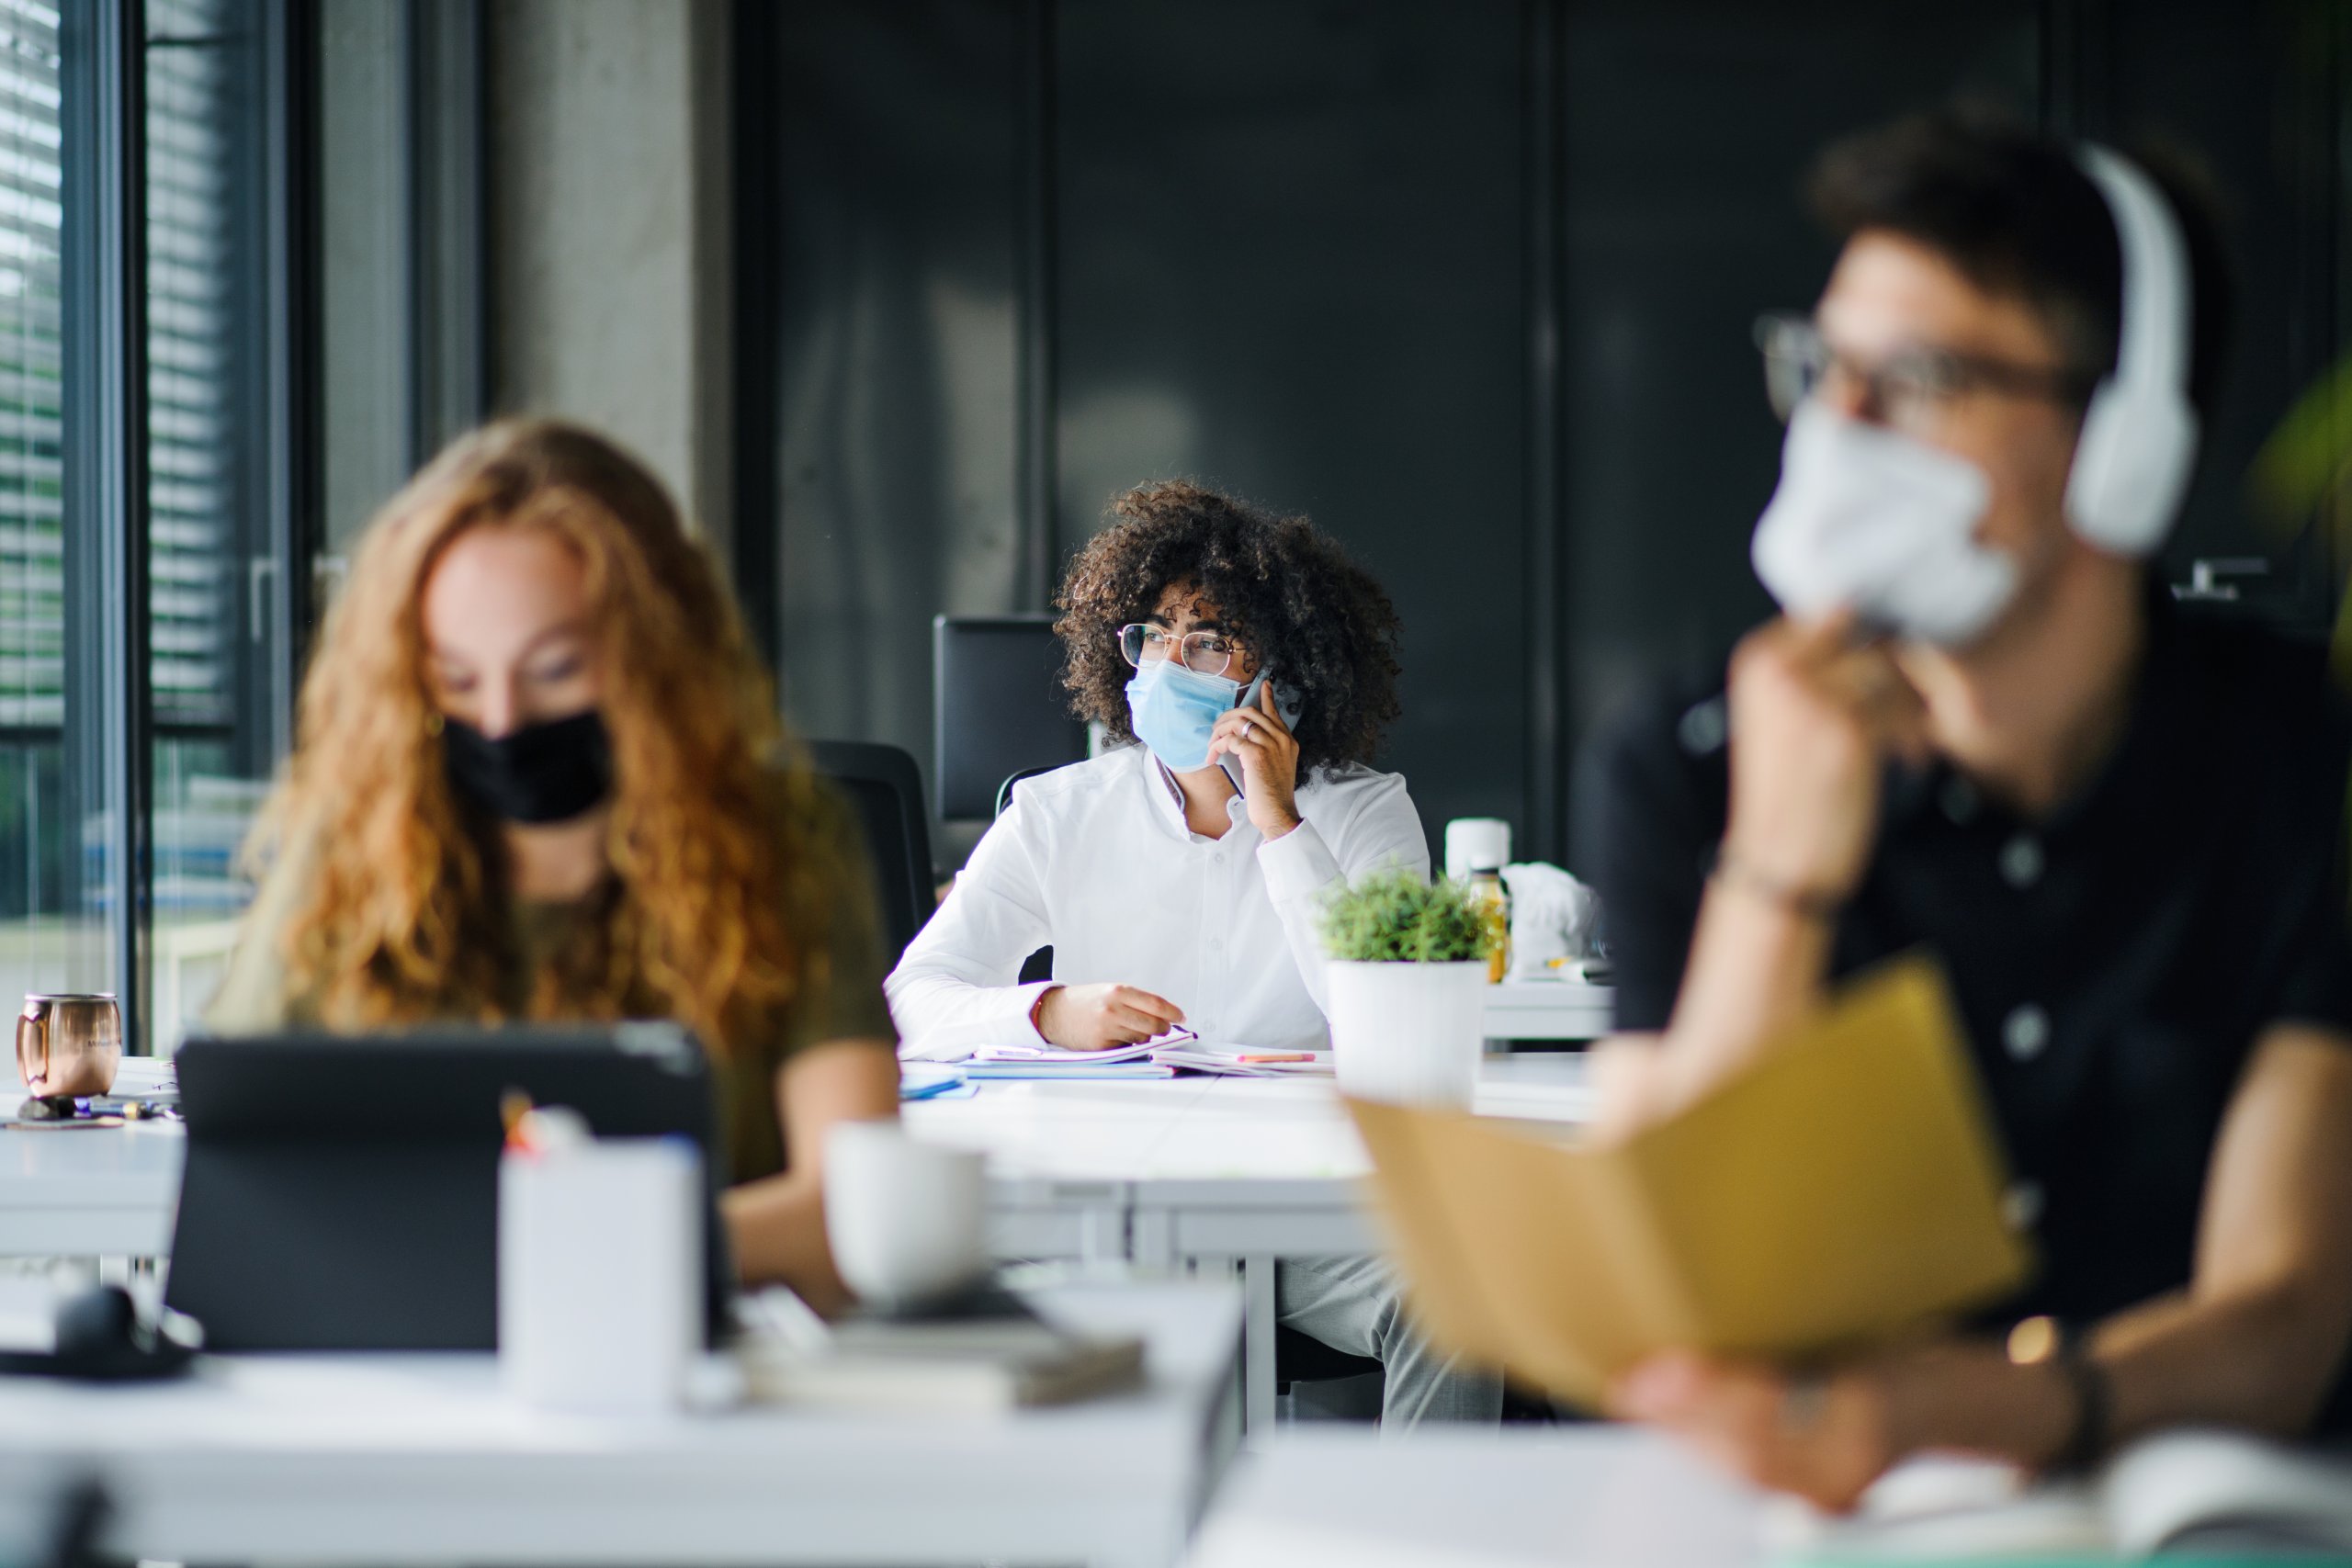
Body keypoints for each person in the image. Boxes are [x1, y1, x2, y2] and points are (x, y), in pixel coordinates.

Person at [1579, 108, 2352, 1507]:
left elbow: (2286, 1314)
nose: (1840, 425)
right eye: (1824, 366)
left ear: (2118, 444)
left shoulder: (2305, 756)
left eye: (1918, 376)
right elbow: (1671, 1282)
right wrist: (1780, 865)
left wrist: (1990, 1403)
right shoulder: (1685, 760)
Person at [207, 420, 900, 1314]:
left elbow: (852, 1210)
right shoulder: (349, 856)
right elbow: (242, 1155)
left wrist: (591, 1256)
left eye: (556, 669)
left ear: (656, 654)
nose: (501, 721)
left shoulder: (781, 842)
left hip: (690, 1378)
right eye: (456, 681)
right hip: (393, 1374)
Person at [887, 479, 1500, 1427]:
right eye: (1153, 636)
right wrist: (1046, 1012)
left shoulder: (1367, 810)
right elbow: (911, 998)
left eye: (1208, 640)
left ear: (1278, 666)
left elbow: (1385, 1016)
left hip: (1305, 1217)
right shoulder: (1057, 811)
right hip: (1110, 1210)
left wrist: (1280, 821)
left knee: (1458, 1292)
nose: (1171, 663)